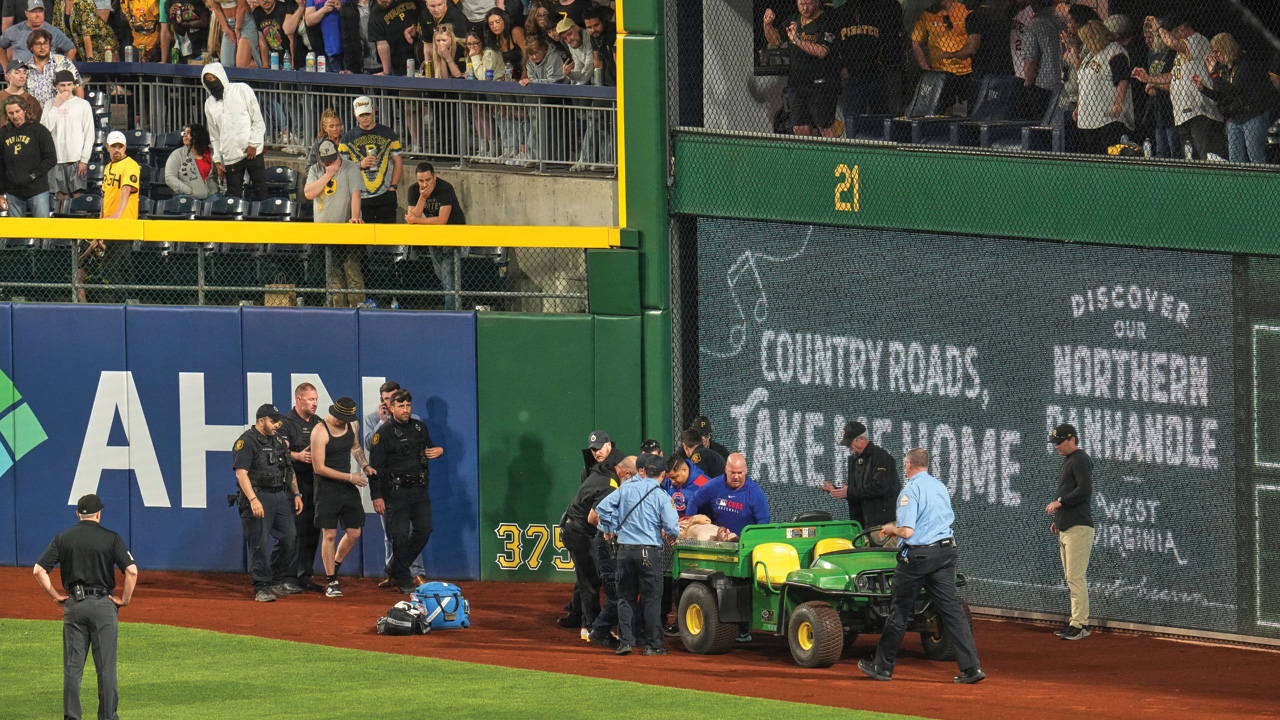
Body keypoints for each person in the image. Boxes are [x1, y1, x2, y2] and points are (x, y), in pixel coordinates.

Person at [858, 448, 985, 684]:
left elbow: (907, 531)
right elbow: (927, 519)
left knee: (899, 612)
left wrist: (890, 529)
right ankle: (972, 668)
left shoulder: (910, 490)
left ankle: (882, 667)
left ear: (908, 465)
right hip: (946, 553)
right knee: (952, 612)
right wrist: (896, 525)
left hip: (918, 558)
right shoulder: (939, 486)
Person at [33, 493, 138, 720]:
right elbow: (131, 570)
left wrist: (55, 595)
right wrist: (124, 600)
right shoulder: (111, 538)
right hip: (103, 606)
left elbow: (38, 570)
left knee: (72, 669)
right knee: (106, 669)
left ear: (78, 514)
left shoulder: (63, 538)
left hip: (75, 606)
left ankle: (72, 717)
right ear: (99, 514)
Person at [594, 452, 680, 656]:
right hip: (647, 553)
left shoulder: (626, 488)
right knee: (651, 598)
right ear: (663, 475)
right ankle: (653, 645)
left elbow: (602, 508)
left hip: (624, 552)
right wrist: (671, 534)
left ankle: (625, 643)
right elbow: (672, 528)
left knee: (625, 597)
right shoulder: (661, 496)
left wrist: (608, 529)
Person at [369, 388, 442, 593]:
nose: (405, 409)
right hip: (395, 492)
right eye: (401, 406)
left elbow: (430, 448)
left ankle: (394, 567)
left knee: (424, 530)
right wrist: (377, 496)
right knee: (399, 537)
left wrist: (439, 451)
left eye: (408, 405)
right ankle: (403, 580)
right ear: (391, 408)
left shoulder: (420, 427)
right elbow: (374, 468)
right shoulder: (382, 434)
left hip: (419, 490)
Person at [232, 404, 302, 602]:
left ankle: (276, 579)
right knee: (259, 543)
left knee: (289, 536)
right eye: (273, 421)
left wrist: (297, 494)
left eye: (277, 421)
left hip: (279, 495)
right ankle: (261, 586)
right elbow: (241, 473)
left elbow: (288, 468)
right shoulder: (247, 441)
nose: (276, 425)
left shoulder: (278, 440)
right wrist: (253, 499)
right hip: (257, 495)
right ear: (261, 421)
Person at [560, 428, 624, 640]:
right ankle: (590, 627)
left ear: (609, 445)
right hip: (577, 529)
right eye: (593, 449)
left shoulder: (618, 466)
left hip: (581, 527)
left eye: (599, 448)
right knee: (590, 579)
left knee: (586, 572)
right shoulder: (609, 481)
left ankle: (576, 613)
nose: (596, 452)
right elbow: (593, 517)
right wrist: (611, 533)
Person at [1131, 15, 1224, 160]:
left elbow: (1172, 43)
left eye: (1172, 33)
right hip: (1184, 112)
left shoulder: (1197, 41)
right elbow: (1173, 75)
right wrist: (1148, 79)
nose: (1169, 38)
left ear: (1181, 29)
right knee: (1190, 158)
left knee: (1206, 157)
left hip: (1200, 111)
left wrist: (1158, 28)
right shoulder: (1181, 53)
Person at [362, 381, 425, 588]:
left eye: (392, 399)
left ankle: (415, 573)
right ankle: (393, 573)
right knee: (391, 533)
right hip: (387, 484)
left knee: (411, 531)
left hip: (408, 486)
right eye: (385, 400)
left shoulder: (413, 420)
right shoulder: (372, 419)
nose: (388, 403)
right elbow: (369, 445)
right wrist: (382, 422)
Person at [309, 396, 371, 598]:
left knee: (354, 533)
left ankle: (334, 566)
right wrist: (350, 477)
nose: (342, 421)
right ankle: (331, 580)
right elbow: (319, 468)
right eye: (340, 418)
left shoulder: (352, 424)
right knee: (330, 535)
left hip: (346, 486)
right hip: (326, 488)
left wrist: (365, 465)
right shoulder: (320, 431)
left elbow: (354, 446)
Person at [1193, 32, 1276, 164]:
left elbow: (1233, 91)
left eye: (1217, 52)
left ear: (1226, 49)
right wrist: (1204, 89)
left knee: (1256, 159)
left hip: (1252, 115)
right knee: (1235, 160)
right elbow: (1223, 96)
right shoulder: (1224, 69)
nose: (1216, 56)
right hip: (1235, 117)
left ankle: (1261, 184)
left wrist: (1214, 75)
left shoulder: (1244, 65)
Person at [763, 0, 839, 138]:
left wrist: (797, 41)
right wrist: (767, 24)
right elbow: (775, 40)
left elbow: (822, 51)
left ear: (817, 2)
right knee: (800, 128)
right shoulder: (793, 19)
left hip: (820, 84)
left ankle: (836, 158)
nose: (804, 8)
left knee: (825, 127)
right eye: (801, 4)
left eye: (808, 4)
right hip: (797, 83)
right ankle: (809, 159)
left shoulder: (827, 19)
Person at [1047, 423, 1093, 640]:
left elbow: (1084, 489)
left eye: (1059, 442)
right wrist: (1059, 519)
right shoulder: (1070, 461)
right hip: (1068, 525)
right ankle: (1075, 622)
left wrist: (1060, 502)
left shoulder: (1080, 459)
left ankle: (1080, 625)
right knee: (1071, 577)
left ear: (1072, 439)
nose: (1056, 446)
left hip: (1079, 527)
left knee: (1075, 577)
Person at [820, 420, 900, 546]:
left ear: (861, 439)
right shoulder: (855, 460)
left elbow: (880, 487)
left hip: (883, 525)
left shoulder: (881, 457)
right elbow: (858, 490)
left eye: (850, 443)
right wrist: (836, 490)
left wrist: (849, 491)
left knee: (885, 562)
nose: (848, 447)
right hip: (863, 526)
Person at [279, 382, 324, 592]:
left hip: (315, 485)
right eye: (310, 399)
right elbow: (277, 452)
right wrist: (297, 455)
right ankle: (288, 577)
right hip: (293, 486)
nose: (315, 403)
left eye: (316, 399)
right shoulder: (286, 423)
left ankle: (305, 576)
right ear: (299, 399)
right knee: (294, 532)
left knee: (313, 531)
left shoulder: (319, 422)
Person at [404, 161, 465, 310]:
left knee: (448, 275)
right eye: (421, 181)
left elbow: (442, 220)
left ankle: (451, 313)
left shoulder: (445, 188)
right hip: (433, 237)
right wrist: (422, 198)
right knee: (442, 276)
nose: (424, 184)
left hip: (452, 235)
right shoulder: (413, 190)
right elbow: (411, 221)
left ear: (434, 177)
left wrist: (417, 220)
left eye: (428, 180)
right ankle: (457, 308)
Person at [202, 62, 268, 199]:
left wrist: (253, 144)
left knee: (261, 191)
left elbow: (257, 120)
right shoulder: (209, 104)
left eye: (213, 78)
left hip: (252, 152)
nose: (212, 82)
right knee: (233, 196)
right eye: (207, 79)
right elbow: (215, 135)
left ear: (221, 76)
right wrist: (218, 160)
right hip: (230, 156)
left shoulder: (242, 89)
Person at [829, 0, 900, 126]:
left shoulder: (877, 11)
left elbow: (887, 39)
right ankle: (853, 143)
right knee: (852, 117)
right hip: (851, 74)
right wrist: (841, 67)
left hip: (875, 73)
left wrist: (882, 61)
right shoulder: (838, 14)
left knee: (882, 116)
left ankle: (882, 143)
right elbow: (833, 46)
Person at [1071, 19, 1131, 154]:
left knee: (1108, 151)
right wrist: (1078, 106)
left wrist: (1118, 104)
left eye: (1086, 40)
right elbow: (1084, 83)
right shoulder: (1090, 56)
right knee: (1092, 152)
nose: (1086, 44)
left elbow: (1123, 80)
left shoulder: (1114, 52)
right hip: (1088, 115)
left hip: (1107, 116)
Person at [339, 94, 401, 224]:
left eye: (367, 114)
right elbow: (341, 168)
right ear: (355, 114)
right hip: (360, 197)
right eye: (361, 115)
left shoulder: (388, 133)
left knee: (388, 239)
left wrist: (393, 185)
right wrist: (359, 164)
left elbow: (398, 161)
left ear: (373, 111)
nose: (365, 118)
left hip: (385, 194)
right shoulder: (347, 138)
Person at [938, 0, 1008, 106]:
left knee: (977, 108)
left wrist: (950, 55)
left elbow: (972, 48)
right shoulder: (999, 14)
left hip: (983, 70)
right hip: (1003, 68)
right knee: (997, 106)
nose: (964, 3)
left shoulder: (973, 16)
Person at [0, 93, 56, 217]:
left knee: (42, 232)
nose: (15, 116)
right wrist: (0, 192)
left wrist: (33, 175)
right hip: (13, 191)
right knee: (16, 234)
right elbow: (1, 165)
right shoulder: (3, 133)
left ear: (25, 110)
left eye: (17, 111)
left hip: (37, 190)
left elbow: (51, 159)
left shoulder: (39, 130)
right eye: (11, 113)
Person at [910, 0, 971, 111]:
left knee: (964, 111)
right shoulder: (927, 14)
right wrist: (925, 68)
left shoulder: (965, 11)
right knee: (942, 111)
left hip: (965, 71)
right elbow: (915, 43)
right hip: (940, 72)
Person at [40, 68, 90, 203]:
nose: (66, 88)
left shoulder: (83, 105)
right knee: (61, 197)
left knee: (78, 196)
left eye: (69, 84)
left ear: (74, 85)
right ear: (56, 86)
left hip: (76, 158)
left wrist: (84, 160)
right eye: (62, 85)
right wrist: (56, 106)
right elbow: (44, 130)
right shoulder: (49, 104)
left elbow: (89, 134)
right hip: (56, 159)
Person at [1019, 0, 1063, 118]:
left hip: (1044, 84)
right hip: (1066, 82)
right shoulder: (1064, 20)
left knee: (1040, 122)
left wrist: (1028, 83)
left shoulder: (1033, 25)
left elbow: (1031, 61)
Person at [0, 0, 75, 66]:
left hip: (47, 77)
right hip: (21, 77)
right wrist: (6, 67)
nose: (38, 15)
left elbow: (71, 49)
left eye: (40, 11)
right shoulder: (15, 30)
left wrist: (62, 68)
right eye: (34, 11)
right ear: (26, 13)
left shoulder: (54, 32)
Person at [164, 122, 219, 198]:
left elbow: (221, 174)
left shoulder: (212, 153)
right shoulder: (177, 154)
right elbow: (170, 177)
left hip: (212, 195)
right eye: (184, 133)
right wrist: (188, 191)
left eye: (189, 133)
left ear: (198, 135)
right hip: (187, 196)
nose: (185, 135)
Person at [368, 0, 418, 76]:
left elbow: (426, 16)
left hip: (421, 55)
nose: (382, 2)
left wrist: (417, 29)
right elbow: (382, 43)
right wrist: (386, 71)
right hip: (398, 63)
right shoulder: (375, 13)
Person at [409, 0, 466, 64]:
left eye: (439, 5)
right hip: (441, 57)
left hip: (459, 56)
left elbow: (463, 44)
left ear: (445, 2)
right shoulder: (425, 15)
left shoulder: (457, 17)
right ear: (427, 5)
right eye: (432, 6)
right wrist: (428, 65)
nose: (436, 9)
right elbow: (428, 45)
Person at [101, 129, 139, 219]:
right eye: (113, 146)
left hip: (125, 220)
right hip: (108, 219)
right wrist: (101, 216)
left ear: (125, 147)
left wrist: (117, 215)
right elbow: (105, 194)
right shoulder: (107, 167)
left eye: (120, 147)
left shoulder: (130, 165)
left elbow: (126, 190)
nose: (117, 150)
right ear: (107, 147)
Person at [252, 0, 303, 67]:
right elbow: (262, 40)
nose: (265, 0)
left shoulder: (284, 8)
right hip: (275, 58)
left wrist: (293, 65)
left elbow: (292, 39)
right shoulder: (257, 12)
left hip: (294, 59)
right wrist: (265, 65)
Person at [302, 0, 344, 70]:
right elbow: (309, 21)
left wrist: (342, 7)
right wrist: (324, 10)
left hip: (347, 49)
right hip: (327, 50)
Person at [0, 58, 39, 129]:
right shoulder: (1, 96)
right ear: (8, 76)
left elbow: (37, 126)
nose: (22, 76)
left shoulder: (31, 100)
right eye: (17, 72)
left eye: (24, 72)